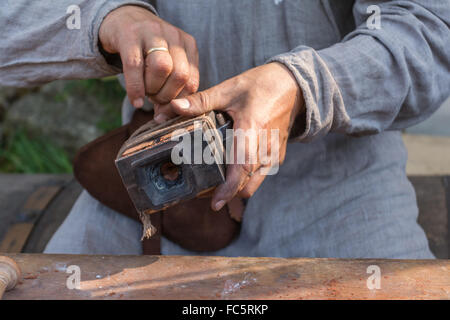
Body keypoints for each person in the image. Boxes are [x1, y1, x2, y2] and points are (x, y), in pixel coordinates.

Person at [1, 1, 449, 258]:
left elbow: (431, 30)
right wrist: (110, 19)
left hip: (342, 196)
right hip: (156, 194)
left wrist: (299, 86)